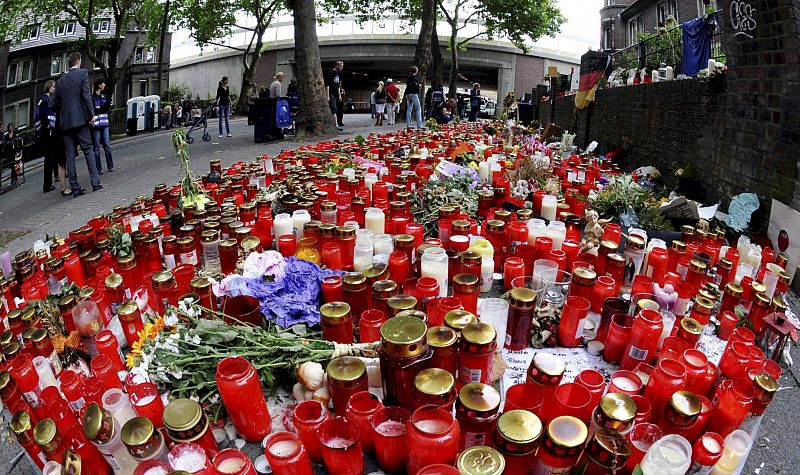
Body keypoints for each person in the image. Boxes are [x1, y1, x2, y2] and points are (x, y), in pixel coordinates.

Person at [51, 51, 102, 197]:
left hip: (65, 124)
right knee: (88, 150)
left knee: (70, 156)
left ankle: (75, 188)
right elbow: (86, 95)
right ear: (78, 61)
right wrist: (92, 115)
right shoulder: (82, 74)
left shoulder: (60, 81)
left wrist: (64, 110)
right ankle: (95, 183)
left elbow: (51, 104)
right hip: (80, 120)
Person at [36, 81, 68, 194]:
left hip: (50, 132)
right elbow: (43, 116)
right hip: (48, 133)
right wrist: (47, 128)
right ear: (49, 88)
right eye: (54, 87)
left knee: (53, 157)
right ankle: (47, 184)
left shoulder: (47, 99)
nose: (55, 89)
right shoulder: (45, 100)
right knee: (49, 159)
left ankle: (55, 176)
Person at [91, 79, 113, 174]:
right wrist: (100, 109)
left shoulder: (105, 95)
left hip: (104, 123)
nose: (104, 85)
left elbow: (107, 107)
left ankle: (110, 166)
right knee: (96, 146)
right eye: (103, 84)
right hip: (96, 124)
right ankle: (98, 168)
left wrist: (100, 108)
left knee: (107, 144)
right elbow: (92, 109)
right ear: (99, 85)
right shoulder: (92, 97)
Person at [325, 60, 345, 129]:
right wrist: (327, 96)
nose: (342, 67)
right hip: (331, 93)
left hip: (336, 93)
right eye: (341, 66)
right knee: (333, 109)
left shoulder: (338, 74)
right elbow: (327, 85)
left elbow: (338, 85)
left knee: (337, 109)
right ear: (337, 65)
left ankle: (336, 123)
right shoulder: (330, 73)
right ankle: (335, 125)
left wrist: (339, 95)